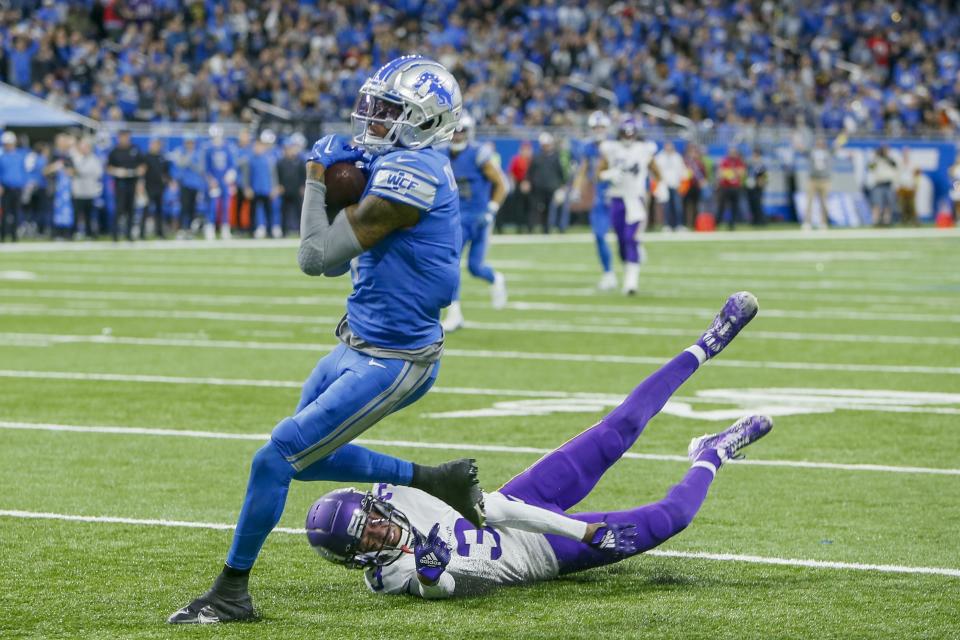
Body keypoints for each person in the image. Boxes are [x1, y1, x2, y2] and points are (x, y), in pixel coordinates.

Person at [169, 55, 486, 625]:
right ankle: (436, 480)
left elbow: (316, 259)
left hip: (396, 358)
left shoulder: (413, 173)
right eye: (376, 104)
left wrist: (318, 181)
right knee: (306, 462)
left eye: (391, 111)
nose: (374, 117)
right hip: (357, 342)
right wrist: (346, 182)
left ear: (428, 120)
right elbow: (341, 266)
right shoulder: (392, 161)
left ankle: (231, 593)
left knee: (275, 458)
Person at [307, 292, 770, 599]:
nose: (379, 533)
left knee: (619, 427)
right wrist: (430, 575)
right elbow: (446, 588)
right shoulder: (391, 577)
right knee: (674, 519)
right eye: (366, 539)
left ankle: (706, 343)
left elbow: (497, 510)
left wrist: (580, 530)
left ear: (374, 506)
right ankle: (711, 453)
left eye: (370, 522)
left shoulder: (398, 495)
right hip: (542, 556)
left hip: (522, 502)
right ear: (357, 558)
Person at [440, 114, 509, 333]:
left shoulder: (479, 154)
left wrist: (492, 209)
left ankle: (496, 278)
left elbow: (502, 184)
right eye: (455, 131)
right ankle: (454, 313)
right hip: (455, 218)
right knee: (451, 263)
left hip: (479, 218)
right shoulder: (441, 154)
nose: (458, 135)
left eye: (462, 131)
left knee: (475, 267)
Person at [597, 118, 659, 295]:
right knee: (621, 241)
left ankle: (631, 283)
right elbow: (598, 173)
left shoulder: (644, 149)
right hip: (617, 198)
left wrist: (659, 186)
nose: (628, 137)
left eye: (631, 134)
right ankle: (630, 269)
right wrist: (609, 174)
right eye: (625, 133)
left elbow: (656, 170)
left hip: (635, 199)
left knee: (630, 238)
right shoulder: (611, 149)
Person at [575, 111, 616, 290]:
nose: (598, 130)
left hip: (618, 194)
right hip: (599, 196)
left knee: (626, 238)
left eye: (601, 127)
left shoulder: (617, 145)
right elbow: (583, 169)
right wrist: (577, 188)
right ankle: (608, 273)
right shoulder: (589, 147)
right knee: (599, 235)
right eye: (595, 127)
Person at [106, 128, 144, 241]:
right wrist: (118, 171)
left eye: (126, 136)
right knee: (119, 209)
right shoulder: (114, 151)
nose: (124, 139)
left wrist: (137, 172)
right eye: (122, 136)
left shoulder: (135, 149)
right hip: (120, 183)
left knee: (131, 209)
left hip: (132, 182)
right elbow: (108, 167)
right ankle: (115, 235)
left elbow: (142, 165)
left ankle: (129, 235)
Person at [527, 132, 565, 234]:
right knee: (535, 208)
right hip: (538, 187)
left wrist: (562, 185)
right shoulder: (536, 157)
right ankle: (531, 228)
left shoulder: (555, 157)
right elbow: (530, 171)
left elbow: (560, 171)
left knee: (549, 209)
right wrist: (528, 182)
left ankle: (547, 229)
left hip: (551, 187)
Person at [204, 124, 237, 240]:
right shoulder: (208, 149)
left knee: (225, 205)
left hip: (224, 180)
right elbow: (206, 168)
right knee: (212, 205)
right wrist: (210, 180)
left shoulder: (227, 148)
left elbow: (232, 165)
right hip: (214, 181)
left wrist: (230, 177)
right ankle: (210, 228)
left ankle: (225, 229)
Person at [247, 131, 282, 239]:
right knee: (253, 212)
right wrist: (247, 187)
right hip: (255, 189)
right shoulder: (251, 159)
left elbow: (273, 175)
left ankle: (270, 230)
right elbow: (248, 175)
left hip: (267, 189)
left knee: (269, 211)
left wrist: (274, 187)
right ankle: (254, 230)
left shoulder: (269, 159)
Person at [169, 136, 205, 238]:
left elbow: (200, 168)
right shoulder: (180, 151)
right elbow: (179, 164)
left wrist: (189, 161)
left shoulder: (198, 153)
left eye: (191, 142)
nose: (189, 145)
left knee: (192, 208)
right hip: (185, 184)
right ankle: (181, 229)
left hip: (196, 184)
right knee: (184, 207)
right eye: (188, 143)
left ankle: (189, 229)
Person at [69, 137, 104, 238]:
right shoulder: (75, 157)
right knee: (76, 214)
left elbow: (98, 173)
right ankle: (73, 232)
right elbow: (70, 171)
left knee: (89, 214)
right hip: (77, 191)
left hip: (89, 191)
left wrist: (79, 172)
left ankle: (89, 233)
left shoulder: (94, 159)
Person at [0, 130, 29, 242]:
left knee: (16, 212)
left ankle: (14, 236)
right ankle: (3, 235)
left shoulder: (20, 156)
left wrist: (24, 183)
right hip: (5, 188)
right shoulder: (2, 157)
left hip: (17, 188)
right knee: (4, 213)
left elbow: (23, 172)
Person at [277, 135, 307, 236]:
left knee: (299, 212)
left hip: (297, 190)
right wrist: (279, 185)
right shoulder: (281, 162)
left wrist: (303, 186)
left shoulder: (300, 161)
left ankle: (301, 231)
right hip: (285, 190)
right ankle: (283, 232)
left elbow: (304, 175)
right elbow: (278, 175)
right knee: (284, 212)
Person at [654, 141, 686, 231]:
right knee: (666, 207)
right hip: (664, 185)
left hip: (676, 184)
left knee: (677, 206)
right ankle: (667, 225)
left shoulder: (677, 157)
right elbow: (656, 170)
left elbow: (682, 170)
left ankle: (679, 225)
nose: (668, 148)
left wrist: (682, 183)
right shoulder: (660, 157)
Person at [142, 138, 169, 238]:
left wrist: (166, 180)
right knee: (146, 210)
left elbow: (166, 173)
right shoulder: (146, 157)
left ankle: (160, 232)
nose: (156, 146)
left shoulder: (162, 157)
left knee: (159, 211)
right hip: (148, 187)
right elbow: (142, 171)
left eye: (158, 144)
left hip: (160, 187)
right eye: (154, 144)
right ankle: (142, 233)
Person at [804, 137, 832, 230]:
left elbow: (837, 145)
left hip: (824, 180)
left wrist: (843, 136)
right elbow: (802, 150)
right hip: (813, 179)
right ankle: (808, 222)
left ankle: (823, 222)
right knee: (809, 202)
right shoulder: (812, 152)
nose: (820, 144)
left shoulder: (827, 152)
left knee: (824, 202)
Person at [715, 146, 746, 231]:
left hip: (735, 187)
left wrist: (730, 172)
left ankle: (732, 224)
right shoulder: (725, 161)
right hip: (725, 187)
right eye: (731, 152)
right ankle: (717, 222)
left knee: (734, 207)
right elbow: (721, 173)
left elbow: (742, 173)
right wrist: (732, 172)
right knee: (721, 206)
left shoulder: (739, 162)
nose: (733, 154)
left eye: (734, 152)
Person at [868, 145, 898, 226]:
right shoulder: (877, 160)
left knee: (888, 204)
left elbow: (895, 165)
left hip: (888, 184)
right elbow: (870, 167)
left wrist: (886, 158)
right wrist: (876, 158)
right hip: (879, 184)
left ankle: (886, 221)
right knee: (877, 204)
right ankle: (875, 221)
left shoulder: (890, 160)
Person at [745, 147, 768, 227]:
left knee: (758, 204)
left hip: (758, 187)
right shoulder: (750, 163)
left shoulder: (761, 164)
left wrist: (760, 183)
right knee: (752, 204)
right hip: (750, 186)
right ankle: (754, 220)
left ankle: (761, 220)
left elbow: (763, 175)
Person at [896, 147, 918, 227]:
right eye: (904, 153)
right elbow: (897, 175)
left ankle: (914, 220)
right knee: (902, 205)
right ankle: (904, 220)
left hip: (910, 186)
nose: (905, 154)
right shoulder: (899, 163)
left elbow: (916, 175)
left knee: (911, 205)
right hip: (902, 186)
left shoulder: (913, 163)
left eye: (907, 153)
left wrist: (915, 185)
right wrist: (897, 186)